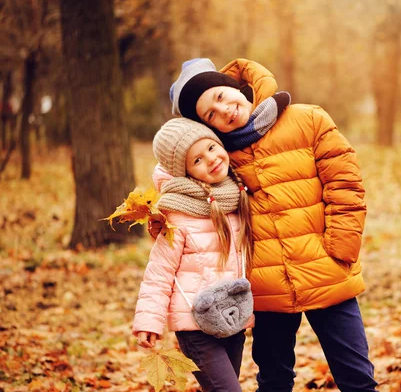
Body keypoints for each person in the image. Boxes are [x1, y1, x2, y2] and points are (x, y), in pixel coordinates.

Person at [154, 57, 378, 392]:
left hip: (328, 270)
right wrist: (158, 220)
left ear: (232, 87)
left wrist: (340, 251)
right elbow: (183, 195)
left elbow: (345, 185)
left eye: (219, 97)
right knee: (274, 381)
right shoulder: (219, 157)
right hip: (265, 285)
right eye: (210, 115)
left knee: (357, 378)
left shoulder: (309, 119)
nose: (223, 111)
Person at [133, 117, 254, 392]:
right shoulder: (178, 213)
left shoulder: (239, 196)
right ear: (186, 173)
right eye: (197, 160)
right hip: (195, 325)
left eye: (211, 148)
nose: (210, 159)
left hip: (233, 317)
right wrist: (149, 320)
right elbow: (160, 270)